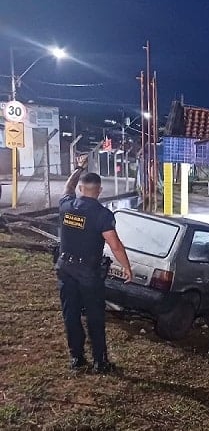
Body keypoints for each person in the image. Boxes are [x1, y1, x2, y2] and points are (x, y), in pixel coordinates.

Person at [56, 155, 132, 373]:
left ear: (81, 188)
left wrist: (78, 168)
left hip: (65, 269)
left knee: (70, 315)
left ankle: (77, 358)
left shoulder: (66, 205)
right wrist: (126, 267)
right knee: (95, 317)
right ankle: (100, 362)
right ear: (99, 190)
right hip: (88, 274)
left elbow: (67, 186)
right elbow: (115, 245)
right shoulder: (101, 215)